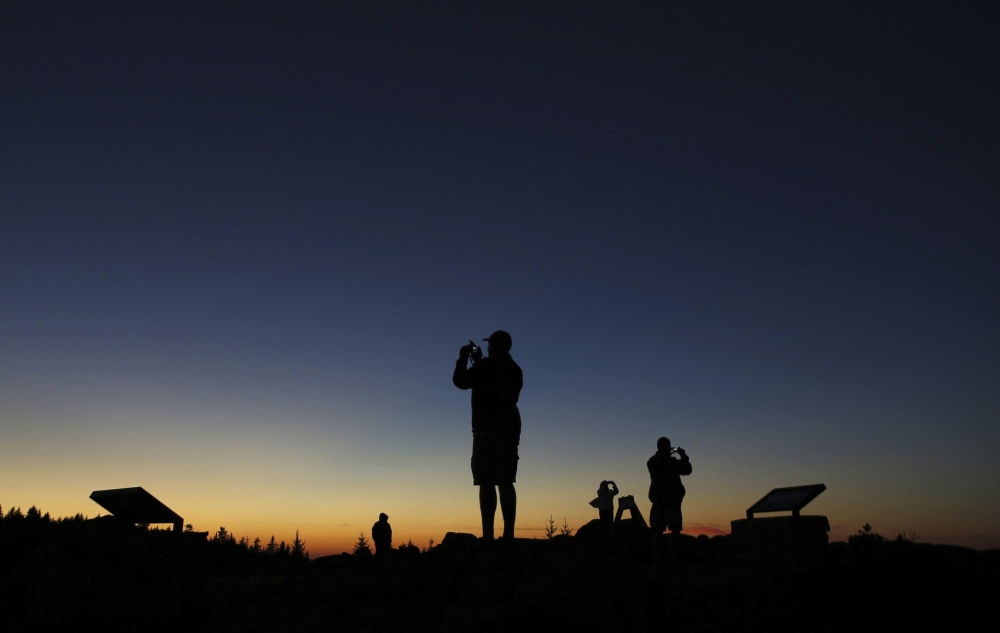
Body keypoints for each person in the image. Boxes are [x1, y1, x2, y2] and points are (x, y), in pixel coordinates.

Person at [453, 330, 523, 544]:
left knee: (486, 481)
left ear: (496, 346)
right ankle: (508, 535)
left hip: (486, 429)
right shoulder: (514, 368)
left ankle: (488, 537)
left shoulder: (485, 367)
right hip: (509, 429)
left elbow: (460, 381)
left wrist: (463, 358)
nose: (488, 347)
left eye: (491, 344)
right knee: (506, 481)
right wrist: (480, 362)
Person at [647, 437, 692, 557]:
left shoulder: (652, 461)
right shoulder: (672, 462)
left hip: (659, 501)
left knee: (658, 531)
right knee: (675, 530)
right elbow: (687, 470)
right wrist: (683, 455)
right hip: (672, 501)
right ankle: (672, 558)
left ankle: (658, 559)